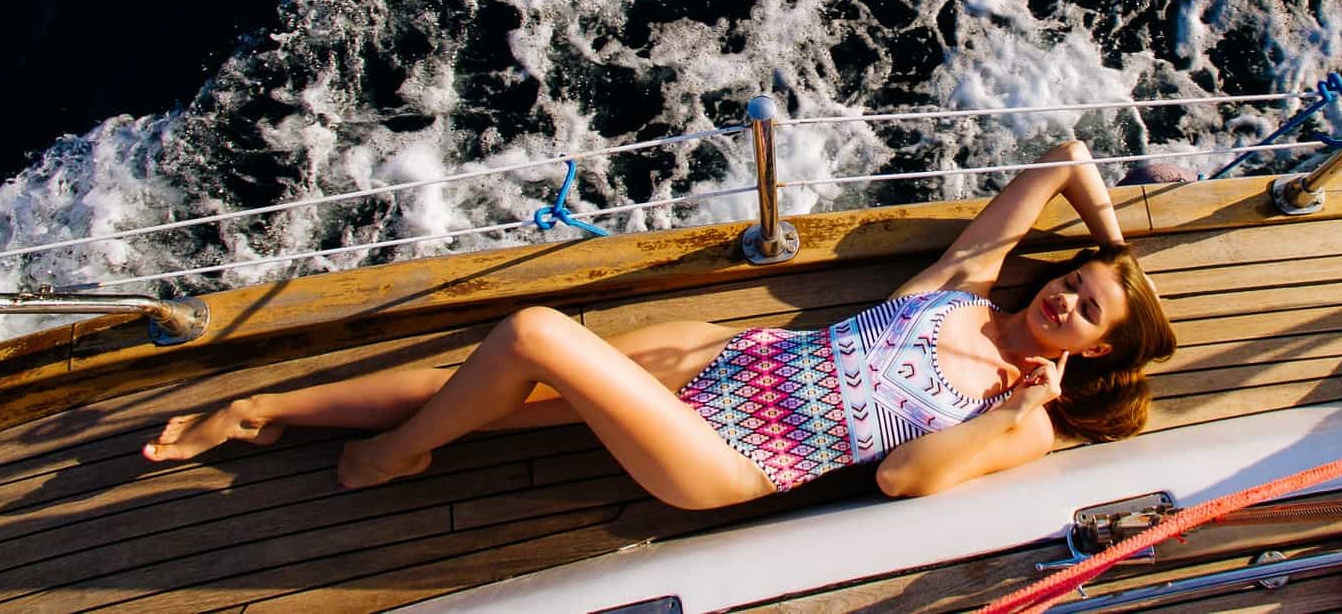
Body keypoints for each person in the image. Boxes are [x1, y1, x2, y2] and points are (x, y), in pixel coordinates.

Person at [144, 140, 1176, 509]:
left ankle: (390, 459)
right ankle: (261, 406)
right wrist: (1117, 243)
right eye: (1074, 280)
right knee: (494, 395)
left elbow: (904, 480)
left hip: (728, 456)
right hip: (730, 361)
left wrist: (1014, 412)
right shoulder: (969, 280)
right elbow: (1060, 157)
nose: (1065, 299)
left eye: (1087, 310)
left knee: (534, 338)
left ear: (1092, 351)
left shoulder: (1024, 419)